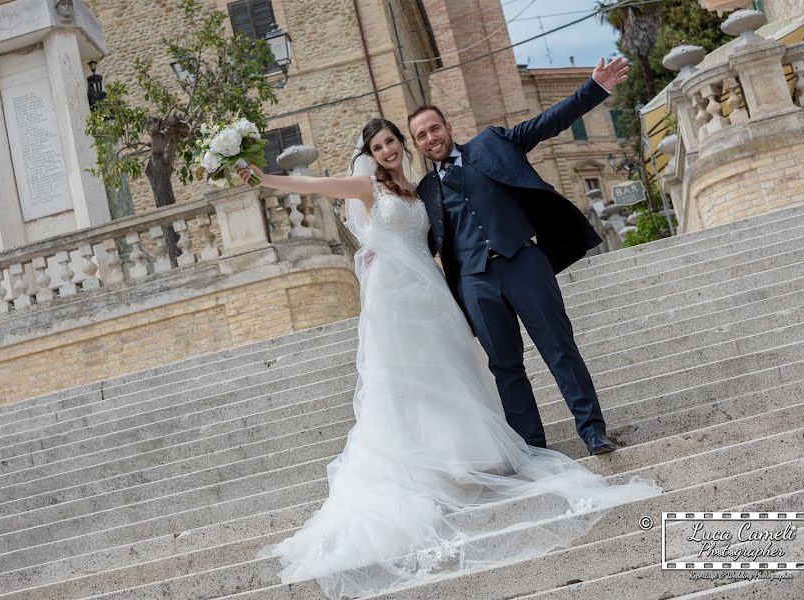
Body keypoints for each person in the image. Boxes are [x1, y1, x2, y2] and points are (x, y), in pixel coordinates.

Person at [235, 100, 659, 600]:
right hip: (430, 293)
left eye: (402, 138)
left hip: (485, 276)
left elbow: (538, 129)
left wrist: (597, 89)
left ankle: (592, 431)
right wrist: (264, 179)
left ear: (439, 131)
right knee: (493, 370)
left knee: (542, 353)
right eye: (386, 144)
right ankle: (519, 449)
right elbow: (318, 188)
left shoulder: (444, 173)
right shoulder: (390, 187)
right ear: (377, 153)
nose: (398, 147)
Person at [408, 56, 630, 455]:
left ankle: (593, 431)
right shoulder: (425, 190)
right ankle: (534, 452)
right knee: (505, 368)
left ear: (448, 128)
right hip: (475, 282)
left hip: (523, 262)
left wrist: (594, 88)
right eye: (421, 135)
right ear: (417, 145)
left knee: (559, 349)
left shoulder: (491, 144)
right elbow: (418, 241)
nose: (430, 138)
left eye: (434, 128)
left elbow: (545, 124)